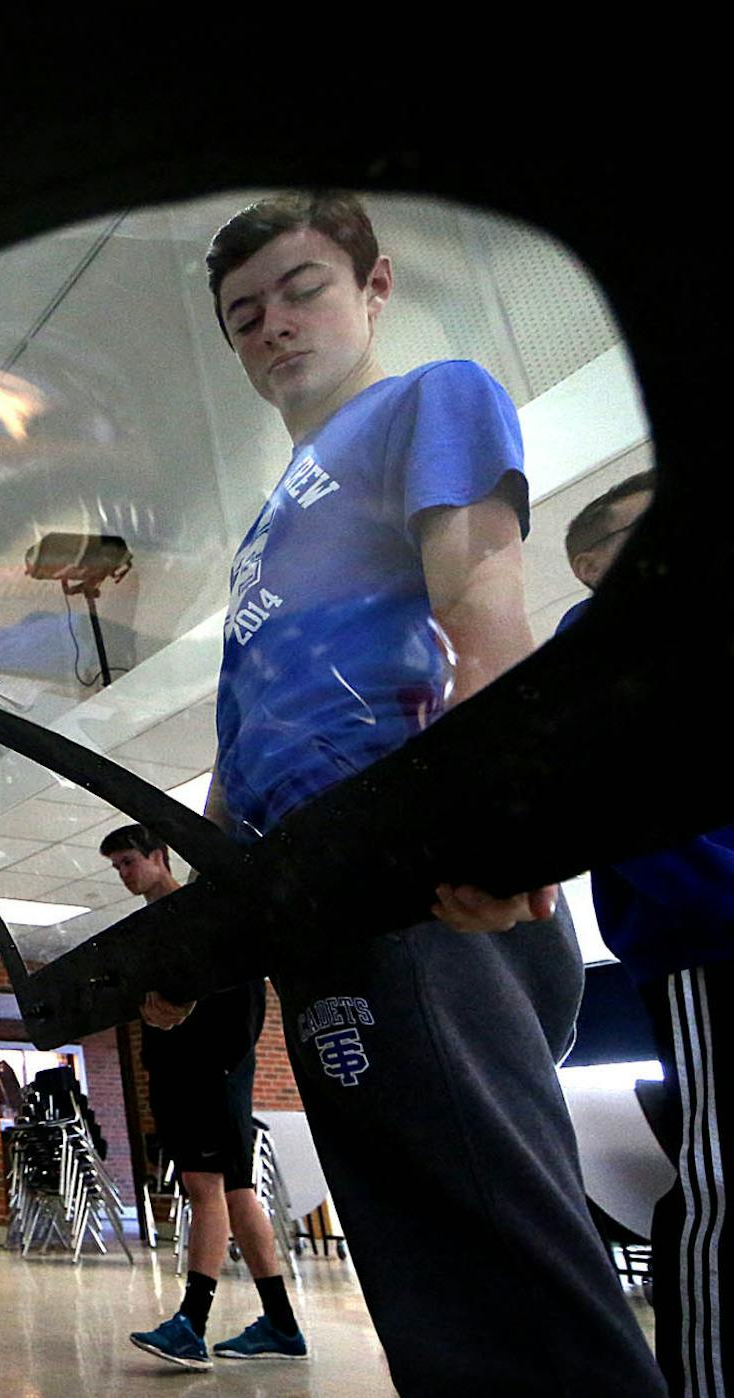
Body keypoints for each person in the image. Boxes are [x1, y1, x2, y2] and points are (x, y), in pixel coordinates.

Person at [192, 191, 660, 1390]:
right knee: (421, 1264)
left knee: (500, 1251)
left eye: (304, 291)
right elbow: (246, 724)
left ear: (376, 289)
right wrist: (205, 921)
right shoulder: (267, 521)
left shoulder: (430, 398)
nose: (275, 328)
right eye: (246, 316)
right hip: (314, 896)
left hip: (414, 875)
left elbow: (484, 603)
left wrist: (490, 823)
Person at [561, 470, 728, 1398]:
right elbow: (630, 808)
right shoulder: (602, 654)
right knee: (720, 1182)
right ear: (593, 564)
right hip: (711, 947)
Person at [102, 825, 303, 1369]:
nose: (123, 874)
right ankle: (283, 1325)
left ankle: (191, 1323)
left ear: (159, 856)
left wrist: (219, 1058)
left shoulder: (202, 914)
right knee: (237, 1194)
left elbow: (244, 990)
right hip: (182, 1072)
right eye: (116, 867)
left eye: (128, 862)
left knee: (203, 1184)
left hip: (211, 1071)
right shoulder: (149, 930)